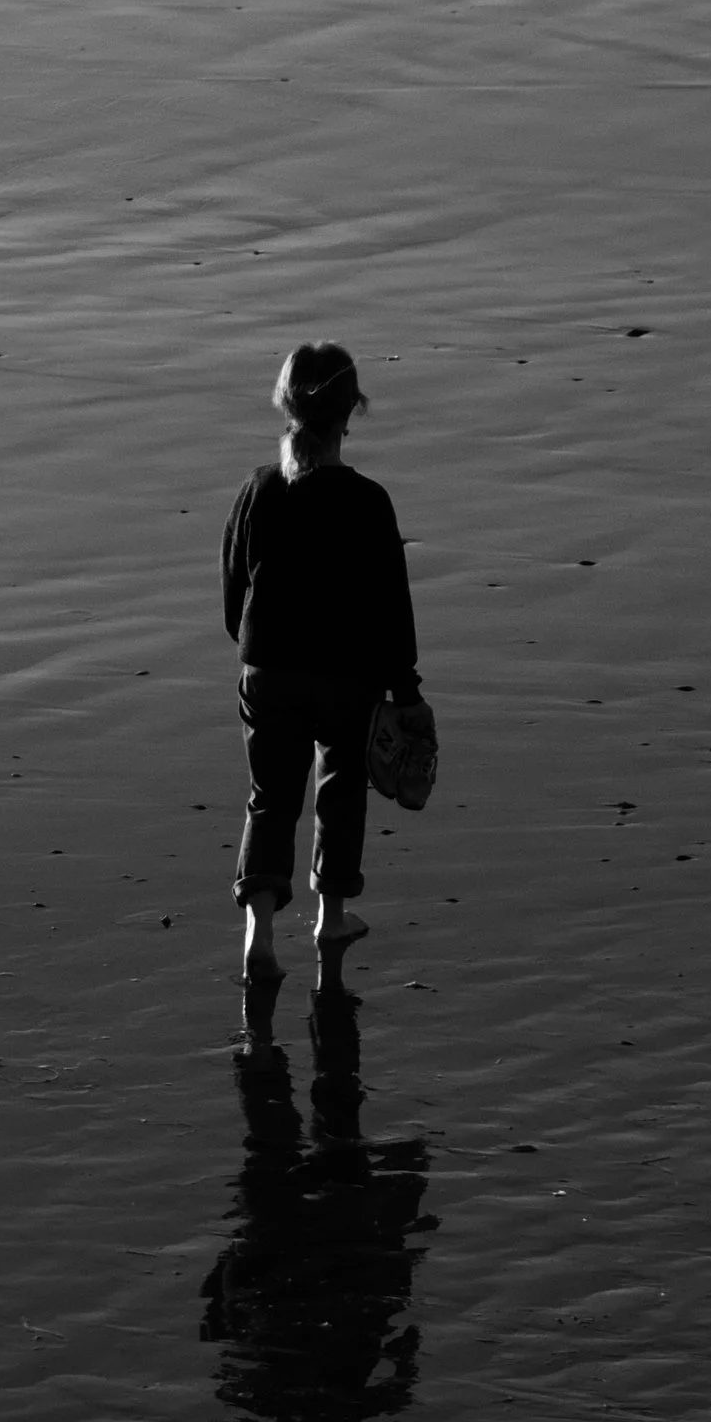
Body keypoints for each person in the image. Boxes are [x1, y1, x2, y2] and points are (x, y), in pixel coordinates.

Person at [221, 341, 432, 988]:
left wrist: (252, 652)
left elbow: (236, 593)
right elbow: (393, 611)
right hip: (346, 676)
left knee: (270, 796)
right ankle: (330, 917)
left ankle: (259, 931)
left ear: (288, 408)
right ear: (350, 415)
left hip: (269, 668)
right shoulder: (369, 501)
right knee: (340, 790)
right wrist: (407, 690)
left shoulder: (258, 490)